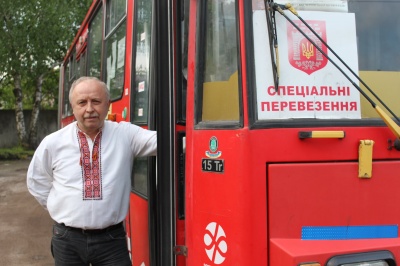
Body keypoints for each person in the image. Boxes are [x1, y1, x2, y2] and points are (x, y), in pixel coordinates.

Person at [27, 76, 157, 266]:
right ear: (73, 107)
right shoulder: (54, 142)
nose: (89, 109)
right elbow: (36, 180)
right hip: (67, 239)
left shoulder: (125, 135)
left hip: (111, 241)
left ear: (107, 104)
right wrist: (59, 205)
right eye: (82, 102)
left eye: (96, 101)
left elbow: (166, 141)